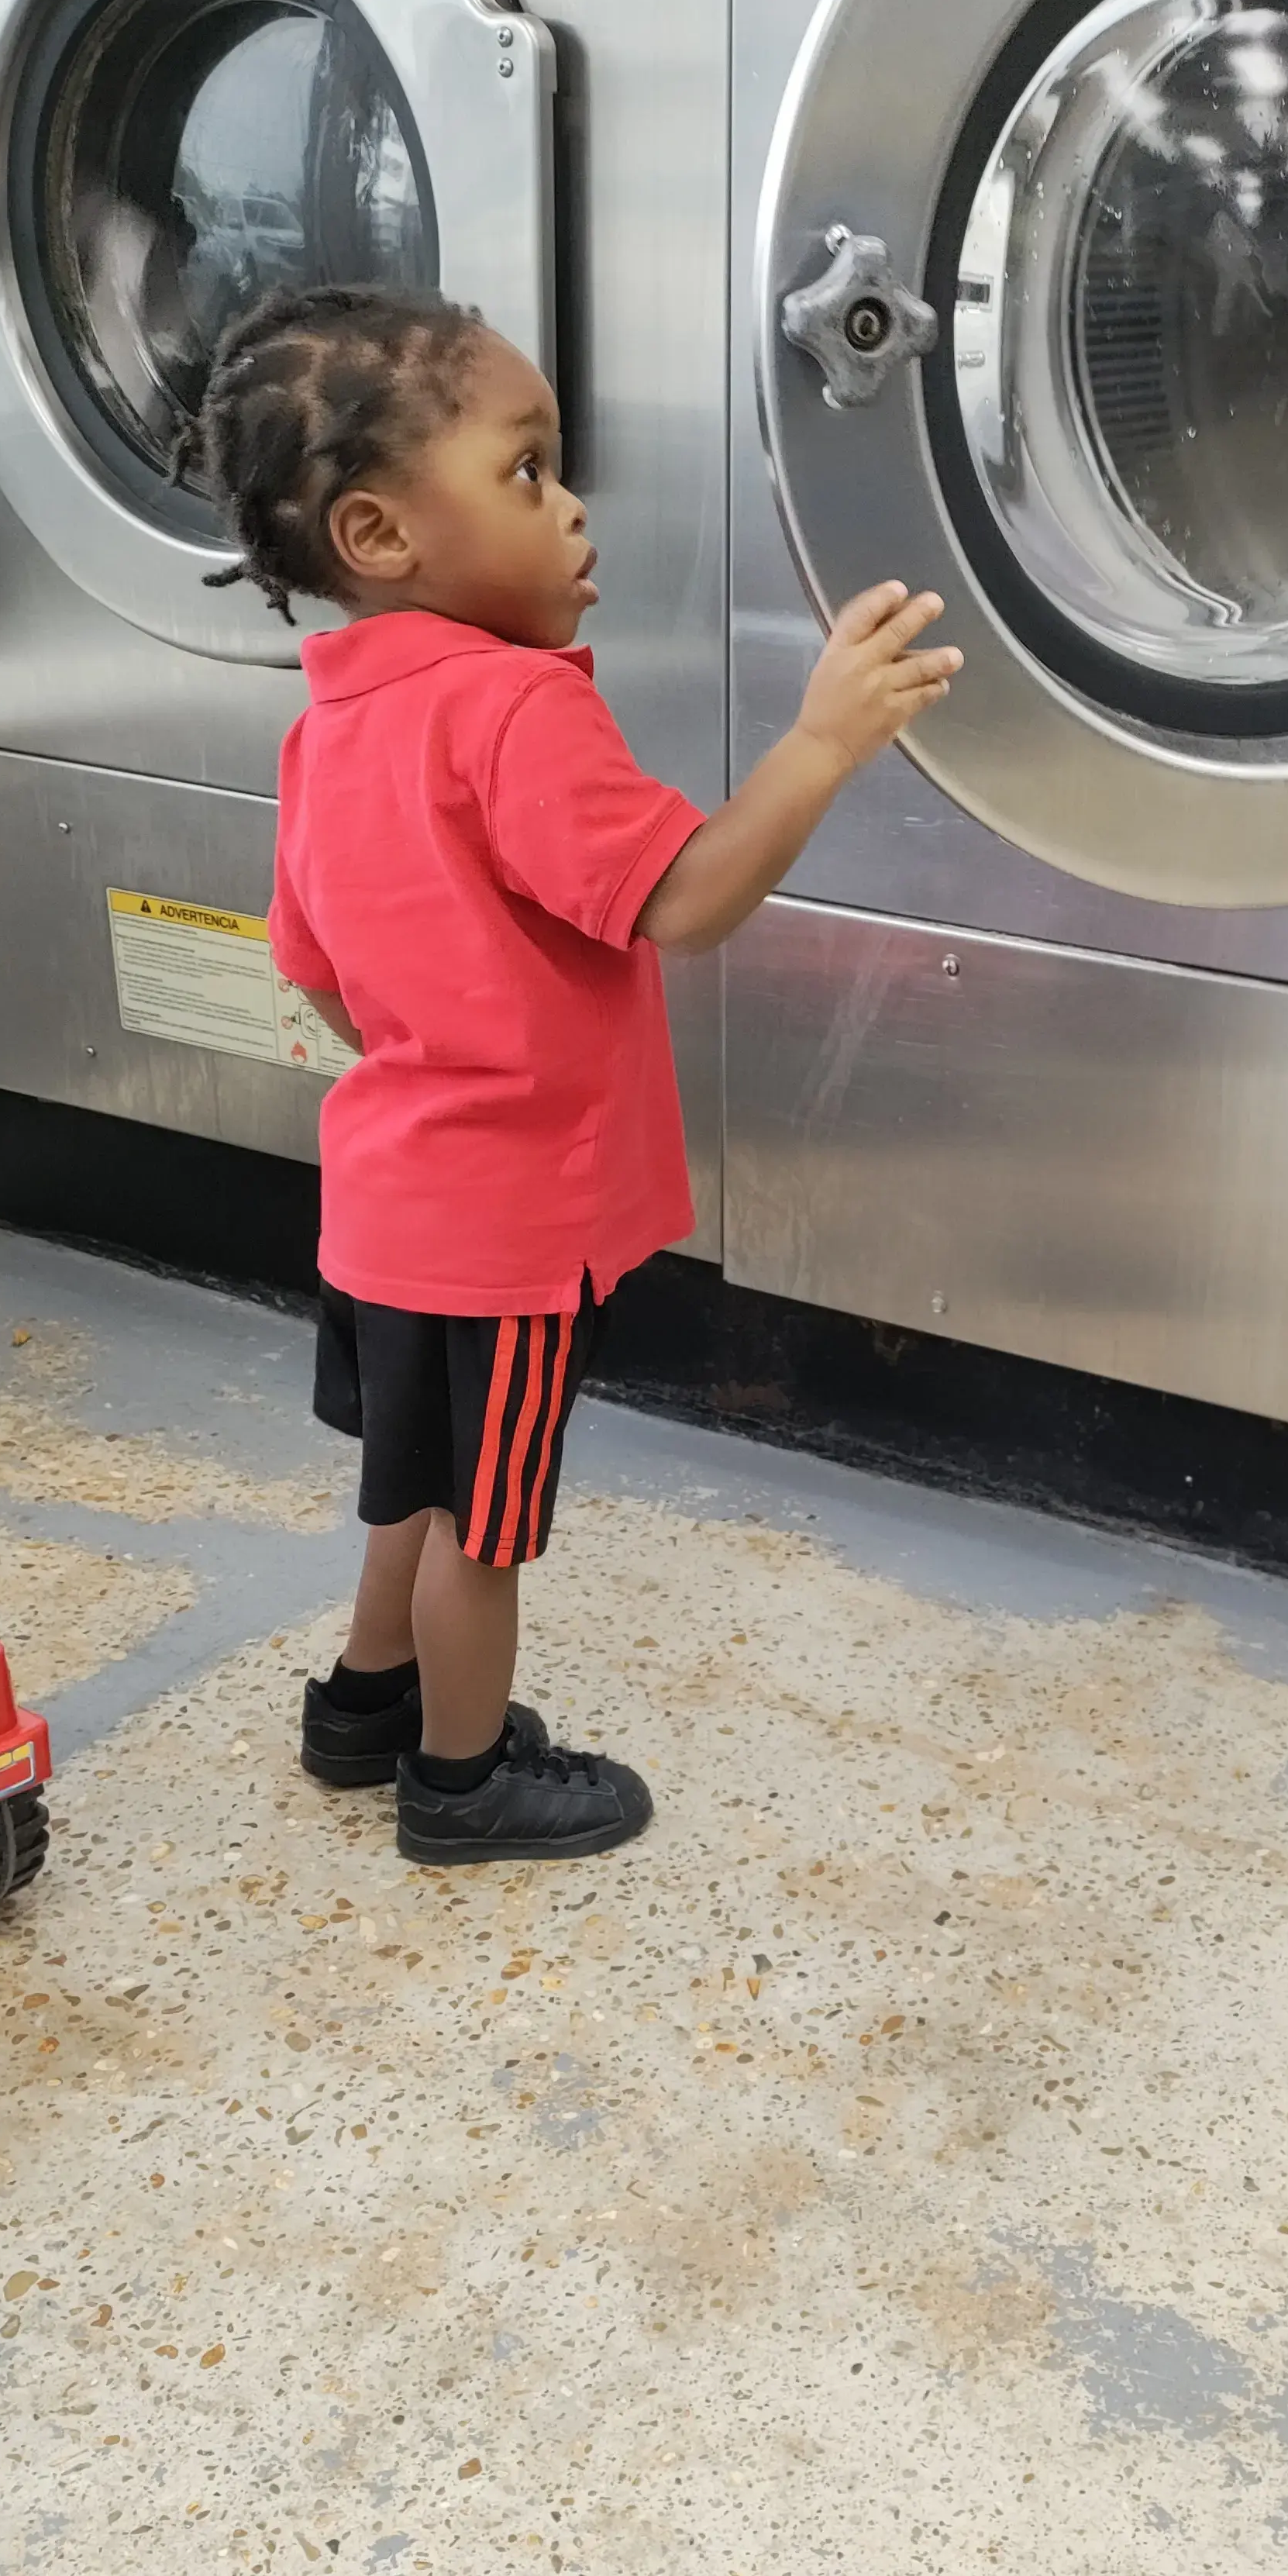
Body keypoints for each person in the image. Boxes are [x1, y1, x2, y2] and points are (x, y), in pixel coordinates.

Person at [175, 281, 959, 1867]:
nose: (573, 503)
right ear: (383, 534)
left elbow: (314, 969)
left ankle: (364, 1706)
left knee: (413, 1484)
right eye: (526, 469)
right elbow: (685, 901)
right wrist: (821, 742)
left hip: (385, 1204)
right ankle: (461, 1782)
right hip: (509, 1234)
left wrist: (438, 1051)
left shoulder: (331, 724)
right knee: (485, 1525)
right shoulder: (514, 706)